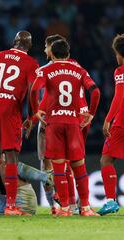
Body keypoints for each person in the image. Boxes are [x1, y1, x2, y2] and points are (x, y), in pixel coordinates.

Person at [30, 39, 100, 216]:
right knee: (79, 167)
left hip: (54, 124)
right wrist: (91, 114)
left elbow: (33, 90)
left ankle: (65, 208)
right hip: (74, 123)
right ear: (68, 54)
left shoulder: (46, 70)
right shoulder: (79, 70)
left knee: (59, 169)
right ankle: (85, 208)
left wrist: (36, 112)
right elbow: (96, 92)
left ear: (52, 54)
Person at [0, 31, 38, 216]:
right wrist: (31, 116)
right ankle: (11, 206)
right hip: (10, 109)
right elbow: (32, 92)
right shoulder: (31, 63)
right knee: (11, 157)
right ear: (29, 46)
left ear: (14, 42)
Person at [97, 34, 124, 216]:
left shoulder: (121, 71)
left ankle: (111, 201)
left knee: (106, 159)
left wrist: (107, 120)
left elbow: (119, 97)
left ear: (120, 53)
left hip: (123, 124)